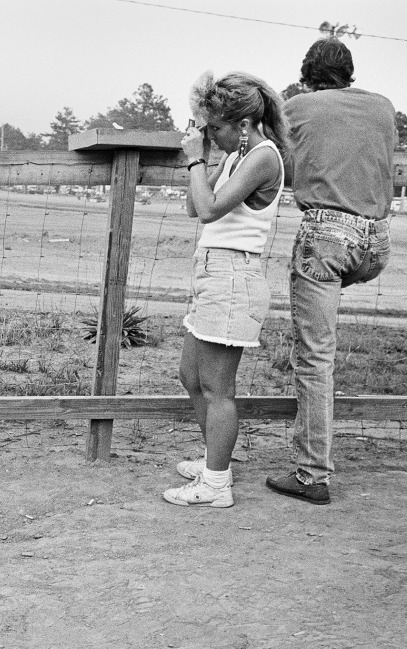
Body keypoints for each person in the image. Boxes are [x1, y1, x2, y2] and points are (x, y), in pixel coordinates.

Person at [265, 38, 395, 505]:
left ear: (306, 75)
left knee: (316, 358)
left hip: (326, 236)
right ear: (350, 72)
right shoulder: (383, 107)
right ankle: (311, 464)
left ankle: (311, 474)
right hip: (376, 242)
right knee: (323, 343)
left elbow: (274, 153)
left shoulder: (299, 106)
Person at [163, 71, 286, 509]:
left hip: (234, 275)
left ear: (246, 123)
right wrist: (211, 154)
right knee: (191, 376)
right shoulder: (239, 154)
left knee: (217, 387)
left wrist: (196, 159)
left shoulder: (264, 157)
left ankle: (216, 486)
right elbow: (193, 206)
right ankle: (216, 462)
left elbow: (211, 210)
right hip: (215, 273)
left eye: (217, 126)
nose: (209, 134)